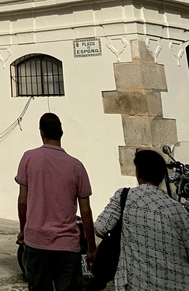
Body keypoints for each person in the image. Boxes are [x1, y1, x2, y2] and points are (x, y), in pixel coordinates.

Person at [16, 113, 95, 291]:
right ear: (61, 132)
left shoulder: (28, 159)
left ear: (41, 132)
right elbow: (86, 211)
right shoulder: (77, 166)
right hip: (67, 245)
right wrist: (91, 247)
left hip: (36, 241)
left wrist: (23, 230)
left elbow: (23, 201)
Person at [95, 148, 189, 291]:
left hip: (138, 284)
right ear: (161, 176)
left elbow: (100, 229)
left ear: (138, 172)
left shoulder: (125, 197)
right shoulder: (177, 209)